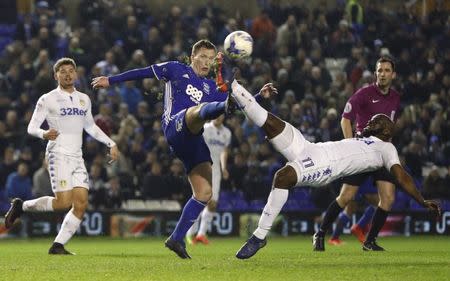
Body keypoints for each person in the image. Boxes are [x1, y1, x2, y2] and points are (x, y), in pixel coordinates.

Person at [92, 39, 275, 259]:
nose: (207, 62)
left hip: (194, 140)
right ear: (193, 56)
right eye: (203, 57)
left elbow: (236, 107)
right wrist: (110, 80)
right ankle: (215, 108)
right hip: (175, 126)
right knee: (199, 111)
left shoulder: (210, 87)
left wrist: (258, 98)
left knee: (204, 193)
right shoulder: (175, 69)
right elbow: (144, 72)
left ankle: (177, 239)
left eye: (211, 58)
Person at [225, 80, 440, 259]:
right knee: (269, 120)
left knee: (282, 176)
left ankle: (260, 235)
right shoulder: (365, 139)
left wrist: (421, 201)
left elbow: (401, 176)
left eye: (375, 121)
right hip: (310, 147)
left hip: (325, 166)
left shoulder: (386, 148)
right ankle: (231, 84)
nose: (369, 122)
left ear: (386, 129)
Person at [4, 58, 119, 255]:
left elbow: (90, 126)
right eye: (62, 71)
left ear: (76, 74)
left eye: (70, 71)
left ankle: (58, 245)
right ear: (55, 75)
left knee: (81, 203)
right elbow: (31, 127)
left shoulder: (84, 99)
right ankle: (22, 206)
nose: (67, 74)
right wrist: (44, 133)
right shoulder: (47, 99)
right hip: (58, 153)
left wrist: (111, 143)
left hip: (77, 156)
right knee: (63, 203)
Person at [319, 56, 402, 249]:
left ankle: (370, 241)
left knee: (388, 198)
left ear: (393, 74)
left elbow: (390, 126)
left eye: (387, 70)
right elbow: (345, 118)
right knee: (346, 197)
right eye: (379, 70)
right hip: (361, 152)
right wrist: (351, 146)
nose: (382, 74)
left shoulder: (396, 98)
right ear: (375, 73)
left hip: (381, 153)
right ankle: (321, 233)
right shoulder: (364, 93)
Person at [186, 114, 231, 245]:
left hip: (216, 170)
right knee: (200, 200)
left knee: (213, 203)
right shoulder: (204, 128)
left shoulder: (226, 133)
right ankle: (190, 233)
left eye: (222, 115)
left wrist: (224, 168)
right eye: (217, 115)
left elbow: (224, 151)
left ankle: (201, 234)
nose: (219, 117)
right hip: (202, 167)